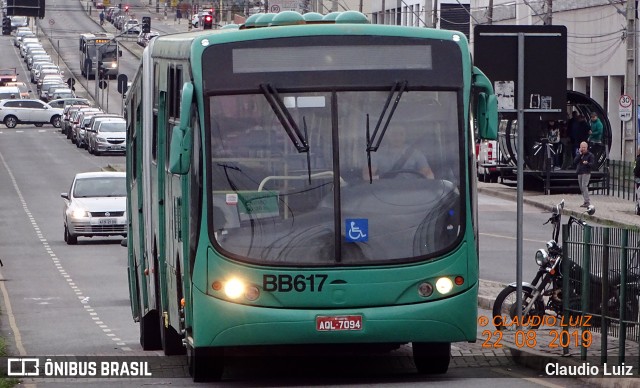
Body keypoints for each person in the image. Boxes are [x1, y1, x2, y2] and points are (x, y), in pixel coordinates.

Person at [363, 125, 434, 180]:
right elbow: (367, 175)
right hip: (385, 190)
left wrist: (425, 178)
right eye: (394, 134)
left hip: (411, 190)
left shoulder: (416, 153)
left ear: (405, 136)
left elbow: (428, 174)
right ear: (387, 135)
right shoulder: (377, 153)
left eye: (401, 134)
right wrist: (377, 178)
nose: (397, 137)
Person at [573, 141, 595, 207]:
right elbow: (575, 161)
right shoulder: (580, 155)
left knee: (584, 186)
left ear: (587, 147)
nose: (583, 149)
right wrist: (579, 154)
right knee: (581, 187)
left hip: (586, 172)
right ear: (580, 148)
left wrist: (587, 163)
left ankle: (587, 201)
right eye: (582, 147)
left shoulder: (590, 155)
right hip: (580, 172)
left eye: (584, 147)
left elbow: (592, 165)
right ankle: (585, 201)